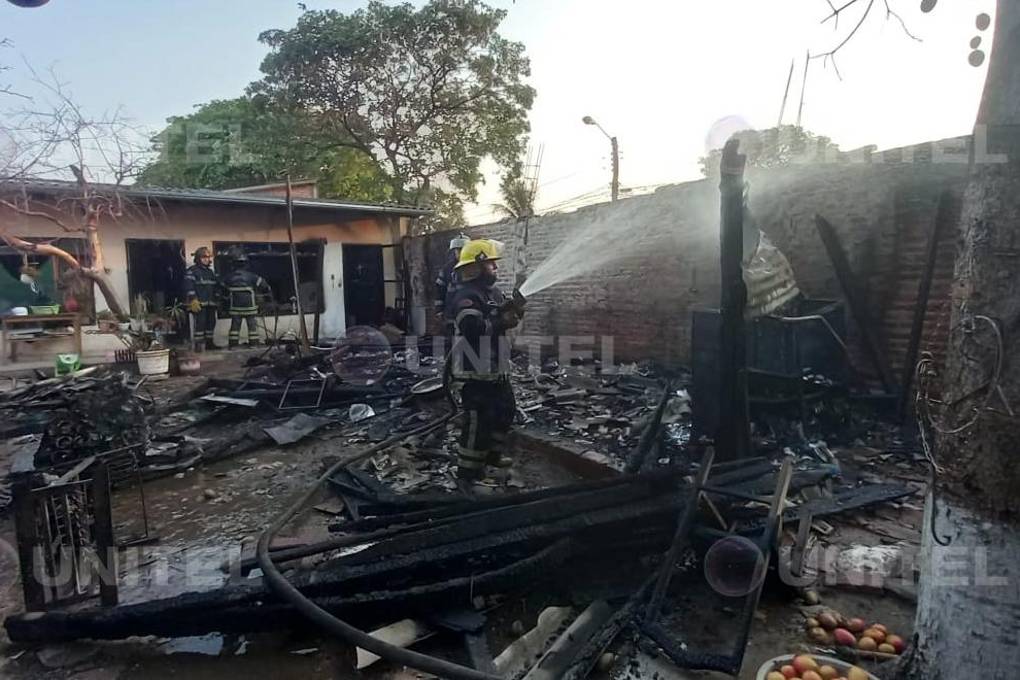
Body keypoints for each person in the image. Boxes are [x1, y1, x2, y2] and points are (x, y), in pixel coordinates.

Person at [449, 239, 523, 485]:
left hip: (496, 368)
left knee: (505, 410)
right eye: (491, 264)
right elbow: (472, 328)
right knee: (477, 423)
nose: (495, 268)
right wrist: (502, 321)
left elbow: (503, 316)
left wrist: (516, 308)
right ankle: (468, 473)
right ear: (478, 266)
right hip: (474, 371)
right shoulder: (465, 295)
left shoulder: (492, 292)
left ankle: (491, 456)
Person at [224, 248, 272, 349]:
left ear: (233, 264)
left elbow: (222, 289)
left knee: (235, 327)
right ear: (246, 264)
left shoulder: (229, 277)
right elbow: (265, 286)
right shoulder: (252, 276)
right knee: (252, 326)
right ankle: (254, 344)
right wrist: (268, 295)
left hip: (235, 307)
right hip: (250, 307)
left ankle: (233, 345)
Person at [184, 247, 222, 352]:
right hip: (199, 303)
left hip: (211, 303)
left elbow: (217, 287)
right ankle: (198, 346)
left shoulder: (211, 272)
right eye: (203, 257)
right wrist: (193, 299)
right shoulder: (192, 271)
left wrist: (218, 298)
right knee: (200, 324)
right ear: (198, 258)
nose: (206, 259)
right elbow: (189, 286)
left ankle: (210, 344)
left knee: (211, 323)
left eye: (208, 257)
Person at [434, 234, 470, 335]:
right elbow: (439, 290)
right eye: (457, 250)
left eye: (462, 249)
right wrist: (439, 311)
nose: (459, 253)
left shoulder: (474, 268)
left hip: (470, 313)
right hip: (451, 315)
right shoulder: (447, 269)